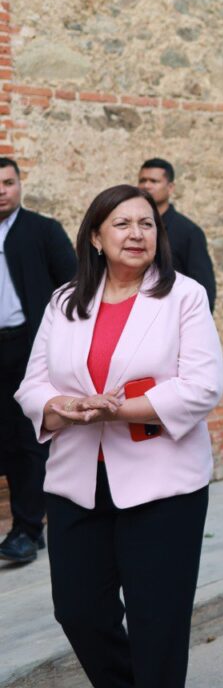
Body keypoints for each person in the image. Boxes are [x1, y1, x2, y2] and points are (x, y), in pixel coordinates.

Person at [16, 185, 223, 688]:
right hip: (77, 482)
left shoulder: (184, 296)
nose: (137, 234)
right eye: (123, 224)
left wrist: (114, 411)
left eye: (147, 224)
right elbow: (32, 384)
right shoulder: (64, 300)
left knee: (159, 623)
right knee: (79, 612)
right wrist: (60, 407)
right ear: (94, 236)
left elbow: (202, 386)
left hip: (164, 486)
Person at [0, 157, 76, 565]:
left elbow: (73, 286)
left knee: (31, 439)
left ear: (19, 185)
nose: (1, 190)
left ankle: (28, 529)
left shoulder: (43, 231)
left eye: (8, 182)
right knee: (8, 441)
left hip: (32, 348)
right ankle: (27, 525)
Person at [138, 158, 217, 311]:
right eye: (142, 180)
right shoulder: (133, 228)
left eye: (154, 181)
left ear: (170, 187)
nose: (146, 186)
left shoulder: (188, 232)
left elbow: (204, 289)